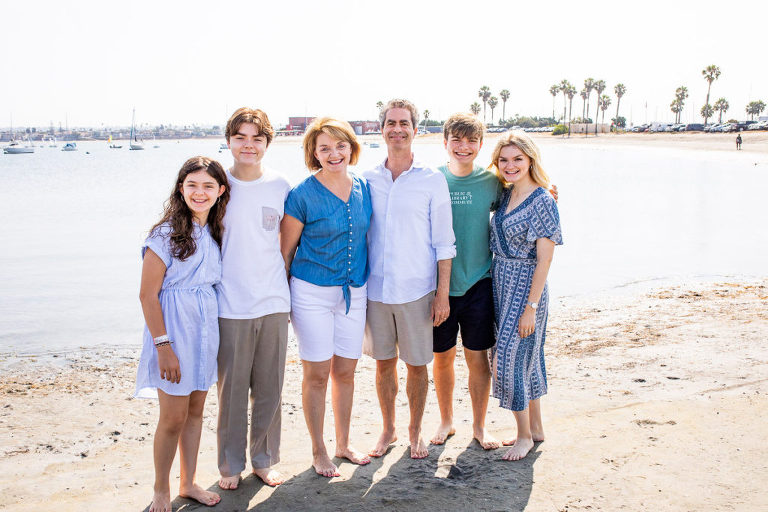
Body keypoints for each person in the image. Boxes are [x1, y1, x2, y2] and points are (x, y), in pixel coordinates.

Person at [363, 99, 456, 459]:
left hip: (418, 290)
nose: (397, 129)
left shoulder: (432, 180)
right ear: (382, 129)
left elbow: (444, 243)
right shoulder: (366, 179)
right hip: (376, 290)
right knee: (383, 362)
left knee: (418, 365)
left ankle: (415, 431)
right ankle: (388, 430)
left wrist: (442, 294)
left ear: (415, 131)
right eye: (391, 122)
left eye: (404, 123)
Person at [136, 156, 229, 512]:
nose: (200, 192)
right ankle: (161, 489)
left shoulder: (215, 231)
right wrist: (164, 346)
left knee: (195, 412)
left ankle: (188, 482)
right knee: (172, 417)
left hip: (205, 331)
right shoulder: (164, 234)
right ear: (181, 188)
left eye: (208, 186)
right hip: (173, 332)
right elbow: (147, 295)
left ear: (220, 191)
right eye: (192, 185)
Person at [280, 117, 373, 477]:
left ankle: (343, 444)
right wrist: (282, 303)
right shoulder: (302, 194)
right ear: (313, 154)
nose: (333, 154)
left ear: (352, 147)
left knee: (346, 371)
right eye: (324, 148)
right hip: (311, 294)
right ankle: (318, 451)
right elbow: (285, 253)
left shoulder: (364, 187)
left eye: (340, 146)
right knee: (317, 373)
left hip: (355, 291)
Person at [215, 108, 291, 489]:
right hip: (230, 303)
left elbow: (288, 244)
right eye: (241, 137)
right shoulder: (215, 183)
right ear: (229, 140)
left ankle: (263, 459)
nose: (249, 145)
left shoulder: (281, 186)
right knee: (231, 392)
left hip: (275, 300)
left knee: (270, 388)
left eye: (256, 138)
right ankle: (230, 464)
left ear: (267, 143)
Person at [489, 132, 562, 461]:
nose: (510, 165)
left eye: (517, 158)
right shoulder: (505, 195)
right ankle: (535, 428)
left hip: (526, 285)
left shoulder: (543, 200)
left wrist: (531, 307)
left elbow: (545, 259)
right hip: (500, 282)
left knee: (507, 358)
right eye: (504, 159)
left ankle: (523, 437)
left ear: (531, 159)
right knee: (528, 358)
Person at [430, 113, 501, 450]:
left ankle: (479, 425)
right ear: (445, 143)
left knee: (477, 357)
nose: (463, 146)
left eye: (471, 140)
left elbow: (524, 194)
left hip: (479, 284)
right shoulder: (432, 179)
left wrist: (549, 192)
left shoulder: (492, 181)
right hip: (439, 287)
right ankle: (446, 420)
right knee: (442, 358)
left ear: (480, 145)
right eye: (456, 140)